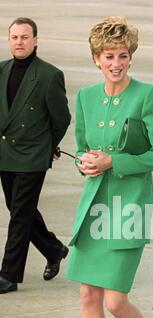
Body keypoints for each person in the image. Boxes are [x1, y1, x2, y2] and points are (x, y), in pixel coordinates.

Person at [66, 16, 153, 318]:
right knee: (88, 294)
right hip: (93, 203)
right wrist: (87, 163)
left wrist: (116, 161)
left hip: (129, 206)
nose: (117, 63)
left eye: (123, 56)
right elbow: (81, 148)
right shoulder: (87, 97)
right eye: (109, 56)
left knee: (115, 302)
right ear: (96, 59)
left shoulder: (148, 94)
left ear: (131, 57)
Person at [0, 17, 71, 294]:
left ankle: (9, 275)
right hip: (5, 153)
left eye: (25, 37)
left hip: (31, 156)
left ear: (36, 40)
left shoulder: (48, 75)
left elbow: (61, 119)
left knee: (19, 215)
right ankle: (54, 250)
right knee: (19, 210)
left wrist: (47, 146)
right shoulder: (2, 70)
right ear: (9, 40)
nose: (19, 42)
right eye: (14, 37)